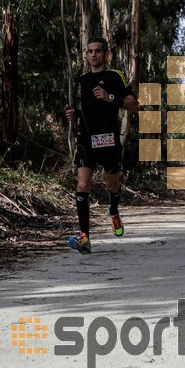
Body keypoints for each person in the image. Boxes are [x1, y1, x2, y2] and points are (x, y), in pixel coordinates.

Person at [65, 37, 139, 254]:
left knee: (111, 183)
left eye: (98, 51)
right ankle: (84, 238)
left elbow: (134, 105)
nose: (94, 54)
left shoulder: (113, 76)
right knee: (82, 185)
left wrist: (110, 97)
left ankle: (113, 211)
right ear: (86, 55)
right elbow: (87, 111)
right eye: (90, 51)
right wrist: (74, 114)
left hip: (109, 140)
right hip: (86, 138)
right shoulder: (82, 80)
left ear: (106, 54)